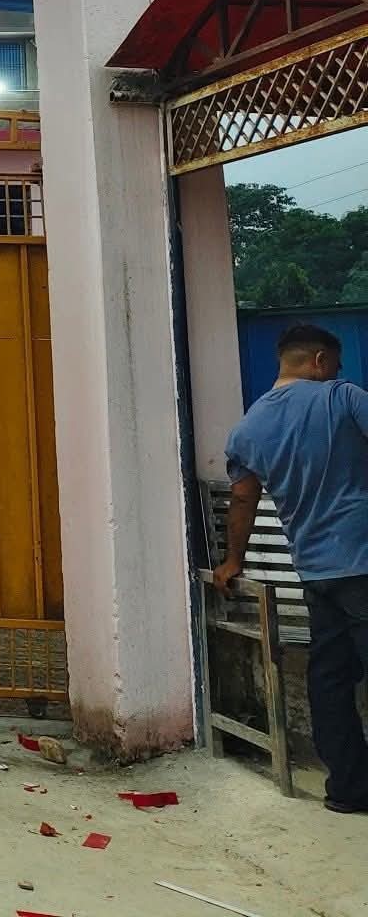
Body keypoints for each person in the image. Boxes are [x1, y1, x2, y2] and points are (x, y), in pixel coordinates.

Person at [217, 323, 368, 812]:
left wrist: (233, 560)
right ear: (320, 360)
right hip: (364, 561)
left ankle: (348, 789)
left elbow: (243, 500)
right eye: (335, 366)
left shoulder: (248, 429)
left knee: (330, 680)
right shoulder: (343, 398)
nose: (336, 373)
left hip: (316, 573)